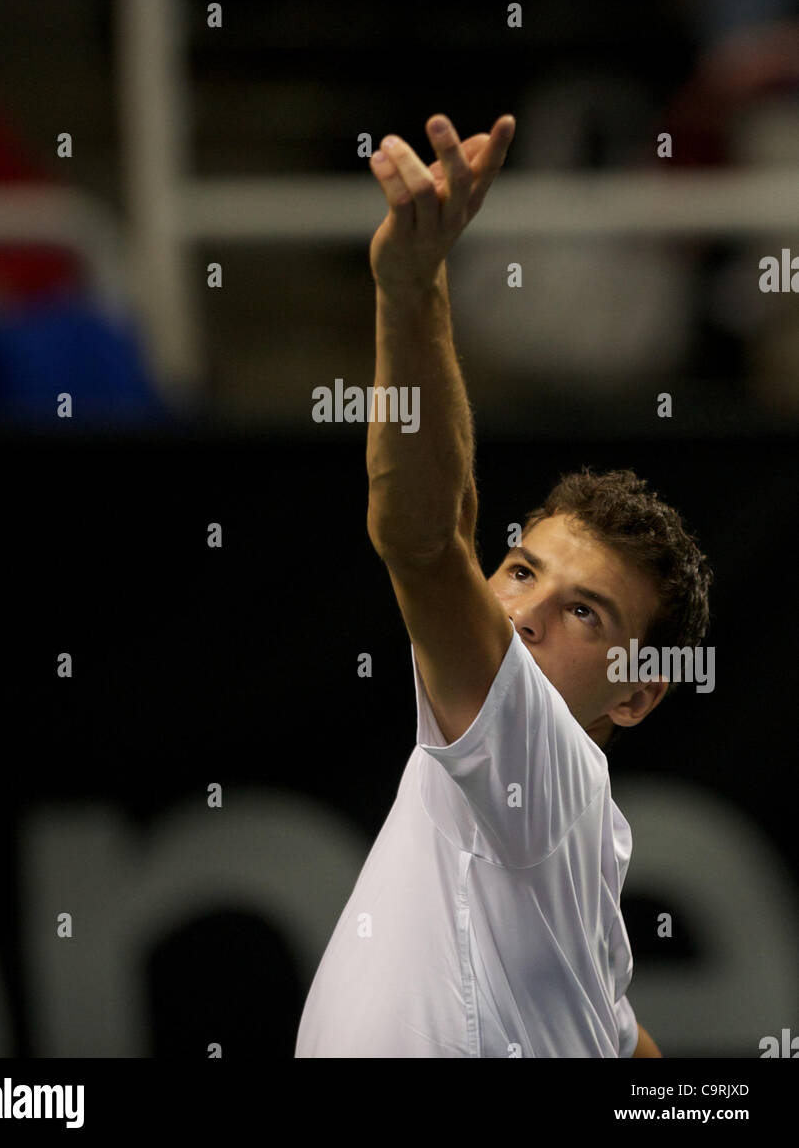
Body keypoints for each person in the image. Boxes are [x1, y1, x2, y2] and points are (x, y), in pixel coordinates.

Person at [294, 114, 712, 1058]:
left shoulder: (546, 773)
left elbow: (425, 537)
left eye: (581, 612)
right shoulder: (561, 849)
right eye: (520, 569)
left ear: (638, 692)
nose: (519, 613)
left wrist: (411, 288)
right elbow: (613, 1029)